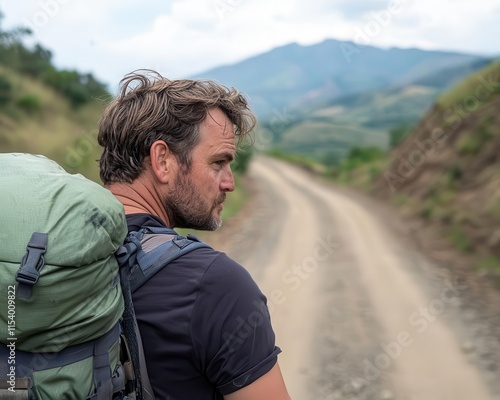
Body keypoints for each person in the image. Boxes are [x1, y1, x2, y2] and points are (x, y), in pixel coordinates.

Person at [97, 70, 291, 400]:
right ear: (162, 160)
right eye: (218, 162)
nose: (229, 182)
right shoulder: (216, 285)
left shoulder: (40, 258)